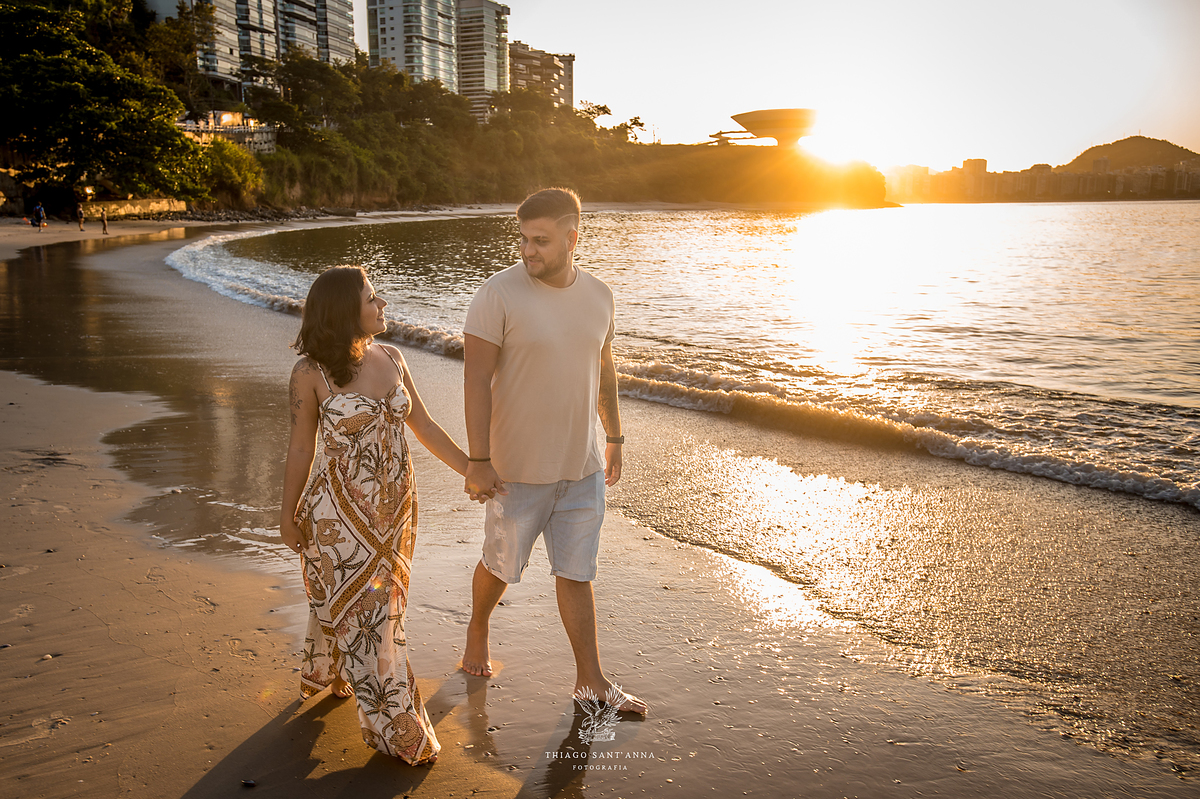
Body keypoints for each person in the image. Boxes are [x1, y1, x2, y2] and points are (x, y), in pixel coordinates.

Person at [461, 187, 647, 715]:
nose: (527, 251)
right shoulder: (497, 294)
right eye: (523, 239)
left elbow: (604, 368)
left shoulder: (601, 296)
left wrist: (614, 437)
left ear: (571, 238)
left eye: (540, 241)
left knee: (577, 572)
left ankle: (591, 682)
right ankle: (478, 628)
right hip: (516, 468)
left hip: (582, 464)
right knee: (500, 564)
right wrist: (479, 459)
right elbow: (475, 379)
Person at [280, 265, 470, 766]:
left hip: (395, 512)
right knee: (372, 617)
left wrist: (473, 470)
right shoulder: (310, 374)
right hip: (337, 514)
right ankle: (398, 727)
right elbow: (301, 449)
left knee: (380, 605)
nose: (382, 303)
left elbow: (424, 426)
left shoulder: (392, 356)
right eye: (371, 297)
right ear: (346, 311)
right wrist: (285, 515)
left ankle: (335, 670)